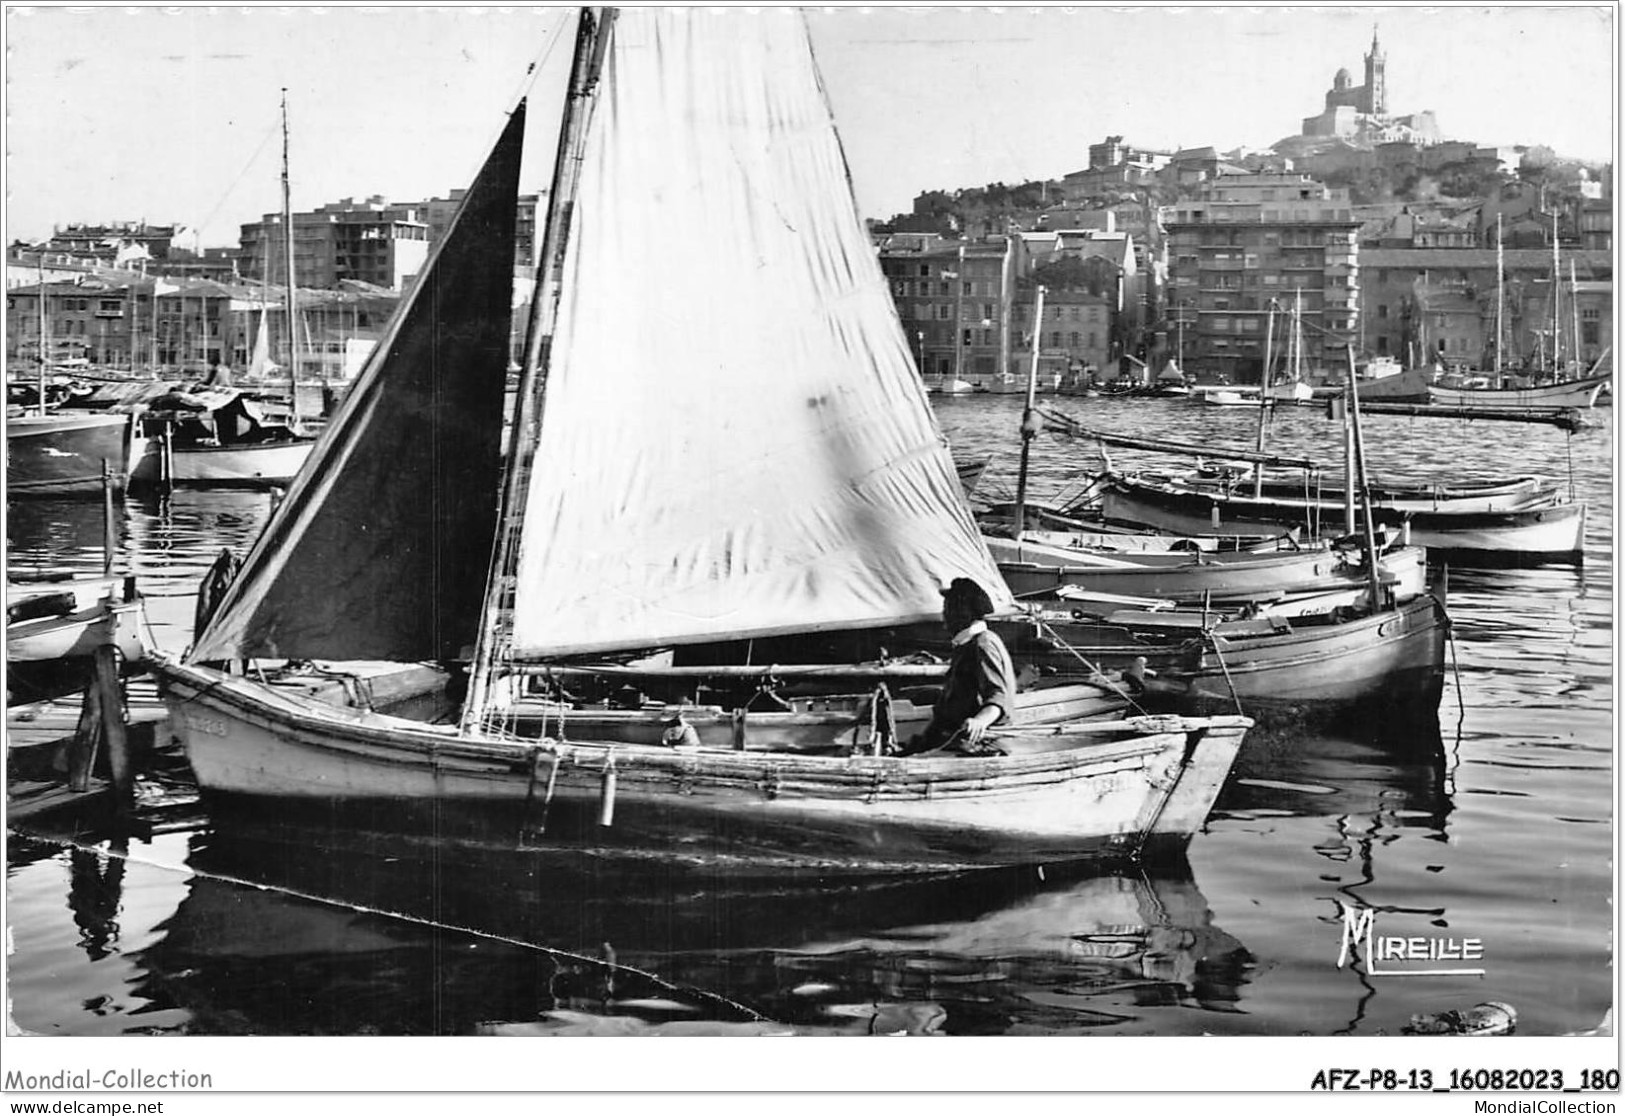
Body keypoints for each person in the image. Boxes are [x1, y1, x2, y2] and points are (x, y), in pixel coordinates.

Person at [902, 577, 1016, 756]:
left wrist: (979, 721)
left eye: (948, 608)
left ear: (962, 612)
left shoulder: (982, 645)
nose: (944, 615)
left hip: (974, 741)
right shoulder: (967, 643)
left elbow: (998, 695)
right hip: (949, 734)